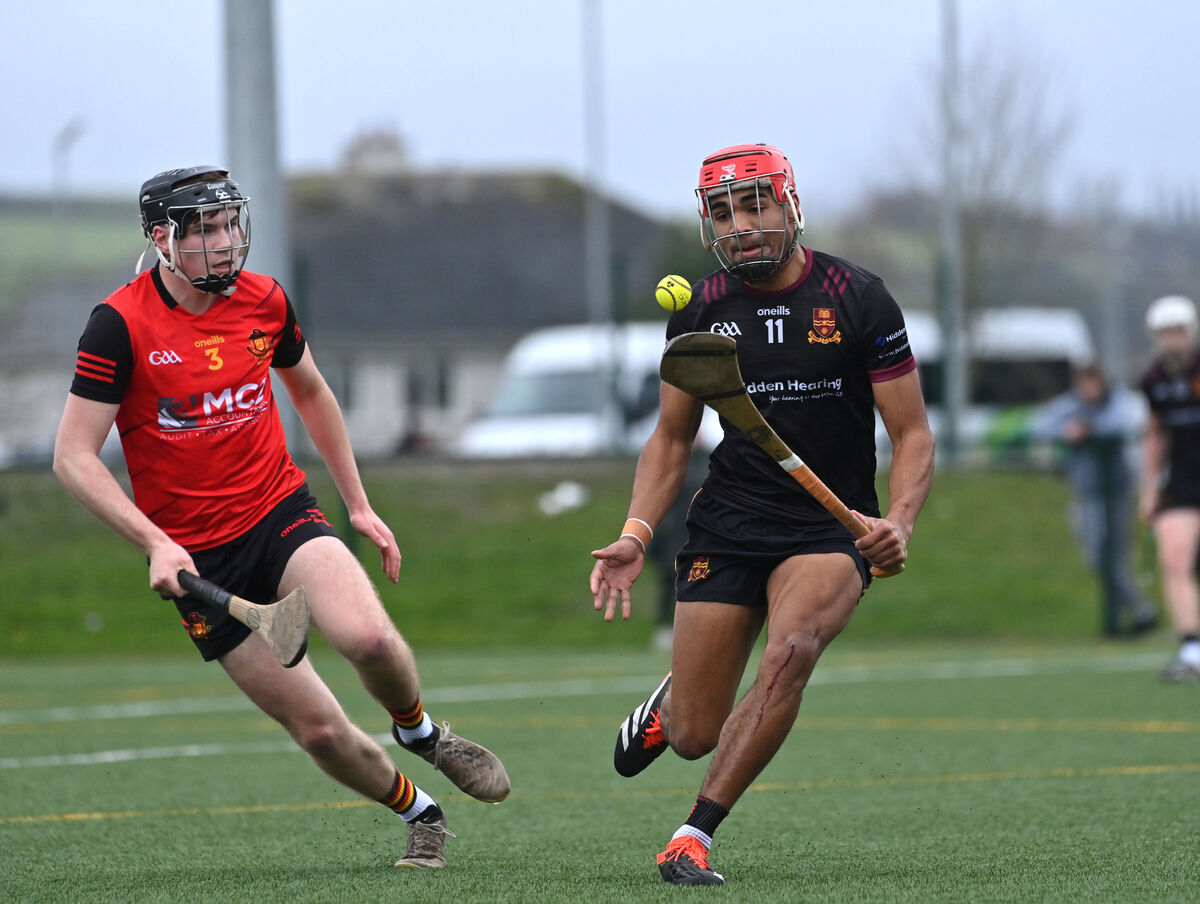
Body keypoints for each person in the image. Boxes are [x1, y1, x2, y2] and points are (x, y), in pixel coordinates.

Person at [52, 166, 509, 870]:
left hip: (278, 513)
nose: (223, 240)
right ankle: (421, 811)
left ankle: (421, 734)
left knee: (369, 641)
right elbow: (73, 457)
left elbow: (314, 394)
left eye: (228, 222)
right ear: (160, 240)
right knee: (322, 732)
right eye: (202, 228)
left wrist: (358, 505)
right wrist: (155, 543)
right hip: (201, 561)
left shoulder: (265, 301)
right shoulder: (118, 326)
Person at [588, 144, 935, 885]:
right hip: (730, 521)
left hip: (828, 529)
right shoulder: (702, 308)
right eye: (723, 212)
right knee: (692, 735)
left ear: (789, 205)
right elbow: (672, 437)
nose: (741, 225)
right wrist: (634, 534)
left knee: (793, 649)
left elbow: (912, 434)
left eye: (753, 205)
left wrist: (898, 520)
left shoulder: (857, 297)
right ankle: (674, 703)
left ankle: (693, 834)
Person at [1030, 361, 1157, 637]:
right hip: (1087, 493)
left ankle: (1140, 612)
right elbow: (1038, 425)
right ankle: (1139, 609)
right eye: (1084, 384)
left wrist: (1090, 428)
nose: (1089, 390)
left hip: (1117, 493)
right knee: (1096, 555)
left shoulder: (1117, 402)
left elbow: (1127, 422)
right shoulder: (1072, 406)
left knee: (1116, 556)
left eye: (1094, 383)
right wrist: (1068, 430)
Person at [1138, 294, 1200, 681]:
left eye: (1178, 331)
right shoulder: (1153, 381)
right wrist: (1149, 488)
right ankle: (1192, 649)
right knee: (1174, 560)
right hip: (1180, 482)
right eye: (1165, 333)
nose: (1172, 339)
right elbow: (1155, 434)